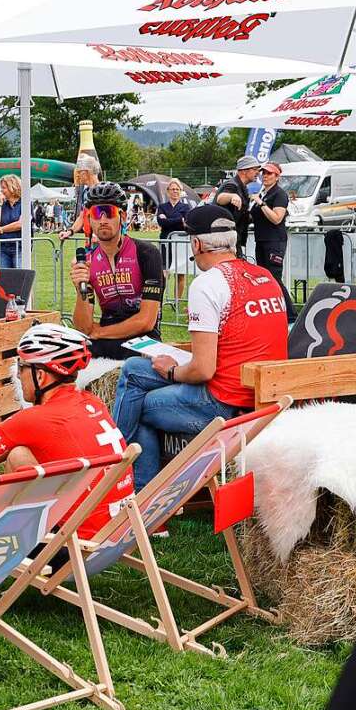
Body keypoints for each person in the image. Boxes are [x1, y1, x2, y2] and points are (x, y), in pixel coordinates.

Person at [111, 205, 289, 490]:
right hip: (262, 396)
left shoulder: (207, 284)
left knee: (138, 403)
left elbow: (204, 369)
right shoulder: (264, 276)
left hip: (225, 402)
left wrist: (170, 372)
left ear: (196, 243)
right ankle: (124, 476)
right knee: (133, 369)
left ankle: (126, 482)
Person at [0, 324, 133, 541]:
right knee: (19, 453)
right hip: (113, 535)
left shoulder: (34, 419)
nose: (18, 374)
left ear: (40, 376)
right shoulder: (92, 402)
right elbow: (15, 445)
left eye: (21, 366)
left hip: (67, 546)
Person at [69, 182, 164, 360]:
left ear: (123, 216)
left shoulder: (146, 253)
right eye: (97, 214)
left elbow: (146, 321)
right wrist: (80, 290)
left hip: (143, 338)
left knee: (133, 366)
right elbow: (84, 328)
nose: (103, 220)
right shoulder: (87, 262)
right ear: (89, 219)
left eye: (109, 213)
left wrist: (98, 332)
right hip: (106, 338)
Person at [249, 161, 297, 323]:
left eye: (269, 173)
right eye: (264, 173)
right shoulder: (264, 193)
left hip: (274, 242)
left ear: (277, 176)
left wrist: (260, 203)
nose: (265, 176)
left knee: (274, 278)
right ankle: (272, 314)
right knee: (264, 279)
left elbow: (277, 219)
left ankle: (291, 316)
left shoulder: (279, 194)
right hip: (261, 240)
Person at [214, 155, 262, 258]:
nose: (258, 172)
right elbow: (220, 198)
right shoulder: (232, 185)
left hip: (233, 239)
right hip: (224, 241)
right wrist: (232, 196)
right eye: (255, 169)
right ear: (244, 171)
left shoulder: (243, 187)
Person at [156, 178, 192, 300]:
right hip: (165, 241)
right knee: (163, 272)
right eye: (172, 189)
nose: (175, 191)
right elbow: (162, 223)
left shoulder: (186, 207)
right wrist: (178, 219)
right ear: (168, 191)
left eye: (177, 189)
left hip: (180, 244)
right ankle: (160, 300)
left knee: (180, 274)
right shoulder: (162, 207)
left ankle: (176, 302)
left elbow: (186, 223)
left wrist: (169, 220)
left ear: (180, 191)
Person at [63, 153, 103, 238]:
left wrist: (99, 235)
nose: (77, 175)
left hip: (104, 245)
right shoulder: (86, 192)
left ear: (86, 172)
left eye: (79, 172)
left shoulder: (104, 191)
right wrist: (70, 231)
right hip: (89, 242)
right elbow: (82, 216)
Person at [0, 174, 23, 268]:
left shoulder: (25, 203)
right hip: (1, 247)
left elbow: (21, 224)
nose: (1, 190)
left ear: (13, 188)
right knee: (5, 278)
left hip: (20, 247)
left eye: (4, 188)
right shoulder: (2, 204)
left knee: (19, 276)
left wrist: (1, 230)